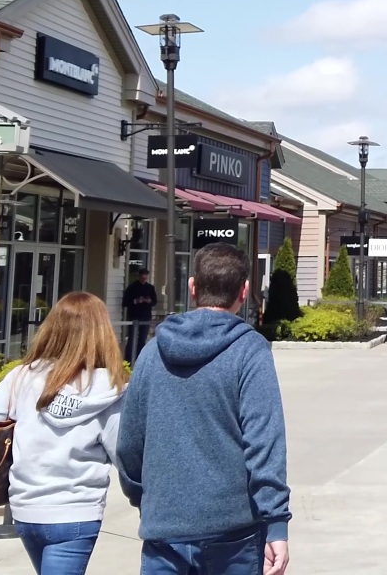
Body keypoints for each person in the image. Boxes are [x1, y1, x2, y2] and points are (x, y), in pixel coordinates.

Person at [118, 243, 291, 575]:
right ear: (244, 291)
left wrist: (147, 498)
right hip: (231, 531)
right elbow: (265, 442)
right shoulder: (250, 350)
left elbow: (129, 443)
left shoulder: (152, 351)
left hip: (163, 528)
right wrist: (276, 520)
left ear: (192, 287)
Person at [0, 292, 125, 575]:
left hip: (26, 509)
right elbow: (124, 453)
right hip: (77, 511)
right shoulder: (110, 389)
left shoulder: (22, 377)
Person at [122, 269, 158, 361]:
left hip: (146, 316)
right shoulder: (132, 287)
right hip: (135, 316)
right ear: (139, 277)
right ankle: (129, 360)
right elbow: (125, 302)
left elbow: (154, 301)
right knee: (132, 339)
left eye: (146, 278)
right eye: (142, 278)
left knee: (142, 339)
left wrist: (149, 301)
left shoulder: (150, 288)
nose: (144, 280)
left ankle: (140, 359)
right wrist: (136, 301)